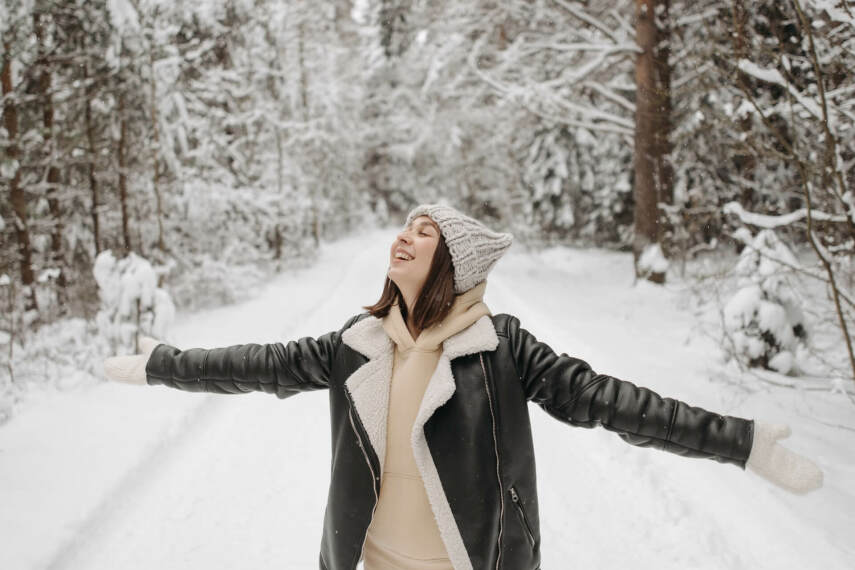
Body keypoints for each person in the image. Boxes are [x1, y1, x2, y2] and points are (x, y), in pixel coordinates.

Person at [104, 203, 824, 570]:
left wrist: (742, 443)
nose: (405, 237)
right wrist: (165, 362)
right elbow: (254, 364)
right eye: (405, 227)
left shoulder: (502, 349)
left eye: (426, 232)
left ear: (455, 262)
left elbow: (616, 402)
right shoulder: (354, 346)